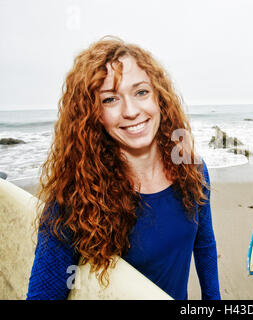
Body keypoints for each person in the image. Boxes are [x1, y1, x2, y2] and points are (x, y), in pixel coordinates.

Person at [26, 37, 220, 300]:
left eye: (141, 92)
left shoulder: (192, 169)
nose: (130, 111)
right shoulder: (75, 196)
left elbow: (204, 244)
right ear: (93, 114)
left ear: (159, 98)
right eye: (110, 99)